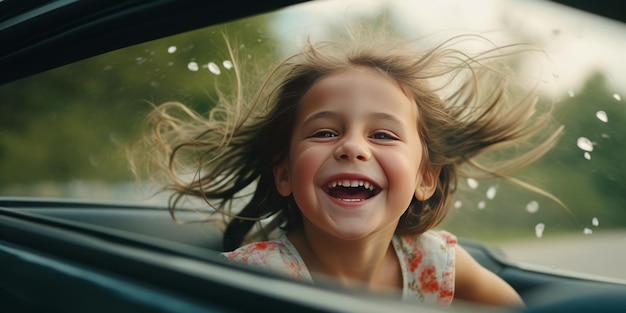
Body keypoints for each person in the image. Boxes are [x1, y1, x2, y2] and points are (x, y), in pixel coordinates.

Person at [137, 29, 561, 308]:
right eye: (324, 133)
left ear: (424, 177)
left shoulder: (435, 263)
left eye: (383, 135)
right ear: (284, 173)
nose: (352, 147)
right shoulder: (250, 277)